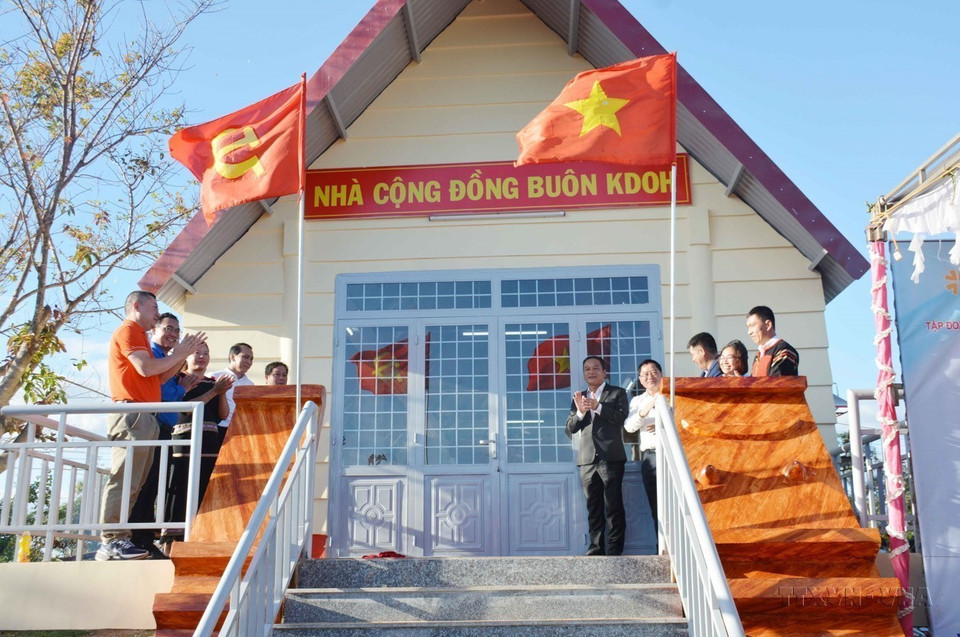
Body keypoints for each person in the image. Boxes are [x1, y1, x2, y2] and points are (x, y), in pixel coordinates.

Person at [97, 291, 204, 561]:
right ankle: (112, 540)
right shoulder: (129, 329)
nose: (157, 313)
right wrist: (179, 353)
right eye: (154, 307)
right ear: (136, 306)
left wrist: (181, 356)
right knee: (125, 479)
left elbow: (158, 376)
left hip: (145, 415)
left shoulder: (139, 336)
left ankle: (122, 539)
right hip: (133, 414)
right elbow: (145, 368)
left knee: (136, 483)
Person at [129, 312, 199, 558]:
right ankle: (139, 539)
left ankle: (146, 539)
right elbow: (157, 386)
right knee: (145, 485)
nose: (173, 334)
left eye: (177, 331)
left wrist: (183, 387)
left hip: (164, 430)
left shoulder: (169, 358)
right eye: (168, 328)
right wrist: (180, 357)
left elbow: (171, 394)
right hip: (152, 425)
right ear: (154, 330)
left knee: (154, 486)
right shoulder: (154, 354)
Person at [161, 342, 233, 550]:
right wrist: (214, 392)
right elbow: (185, 410)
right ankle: (172, 540)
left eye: (205, 353)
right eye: (196, 353)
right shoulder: (178, 380)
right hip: (184, 443)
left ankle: (201, 535)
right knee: (180, 486)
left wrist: (220, 392)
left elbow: (223, 415)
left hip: (209, 443)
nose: (201, 357)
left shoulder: (212, 382)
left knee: (205, 486)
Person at [565, 356, 629, 556]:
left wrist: (598, 407)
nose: (591, 372)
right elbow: (570, 429)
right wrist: (582, 412)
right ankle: (596, 548)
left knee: (613, 505)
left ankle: (615, 549)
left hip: (610, 457)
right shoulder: (579, 397)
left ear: (604, 372)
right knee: (593, 506)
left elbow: (621, 418)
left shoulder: (617, 393)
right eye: (587, 369)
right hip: (586, 460)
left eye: (595, 368)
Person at [624, 359, 663, 545]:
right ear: (640, 379)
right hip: (651, 457)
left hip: (672, 455)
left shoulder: (672, 395)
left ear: (661, 374)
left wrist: (664, 424)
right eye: (645, 374)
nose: (650, 376)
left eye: (654, 372)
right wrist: (643, 412)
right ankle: (661, 544)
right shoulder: (637, 401)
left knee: (676, 504)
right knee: (656, 504)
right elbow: (629, 427)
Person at [212, 342, 255, 445]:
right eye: (245, 357)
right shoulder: (215, 377)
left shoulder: (251, 385)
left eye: (251, 359)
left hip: (242, 432)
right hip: (219, 429)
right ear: (232, 357)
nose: (249, 362)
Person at [746, 305, 799, 376]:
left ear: (768, 325)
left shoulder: (785, 351)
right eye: (748, 327)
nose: (749, 332)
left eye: (752, 325)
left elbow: (776, 383)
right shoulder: (759, 354)